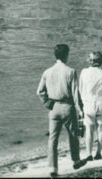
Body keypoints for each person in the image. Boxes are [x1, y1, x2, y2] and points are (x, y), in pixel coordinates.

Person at [37, 44, 87, 177]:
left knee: (52, 139)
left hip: (53, 107)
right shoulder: (70, 71)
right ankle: (76, 160)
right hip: (67, 107)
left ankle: (52, 168)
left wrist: (48, 103)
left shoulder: (47, 72)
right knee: (73, 135)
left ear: (55, 55)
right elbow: (75, 93)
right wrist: (80, 109)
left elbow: (39, 91)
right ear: (66, 55)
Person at [79, 51, 102, 161]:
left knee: (89, 129)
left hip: (88, 103)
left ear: (90, 61)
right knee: (101, 129)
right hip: (101, 102)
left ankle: (88, 154)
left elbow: (80, 90)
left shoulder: (84, 72)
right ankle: (98, 153)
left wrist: (79, 105)